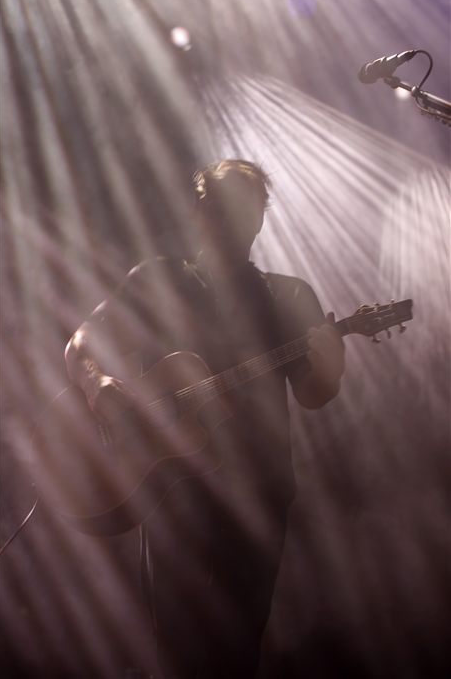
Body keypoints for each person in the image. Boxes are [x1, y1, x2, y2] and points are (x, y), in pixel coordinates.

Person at [65, 160, 345, 679]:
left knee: (237, 654)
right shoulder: (158, 277)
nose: (229, 221)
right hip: (173, 494)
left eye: (244, 210)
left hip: (259, 498)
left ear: (260, 220)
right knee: (173, 655)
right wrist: (96, 383)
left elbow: (312, 393)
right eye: (216, 207)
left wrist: (331, 370)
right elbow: (81, 341)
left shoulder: (289, 295)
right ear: (197, 210)